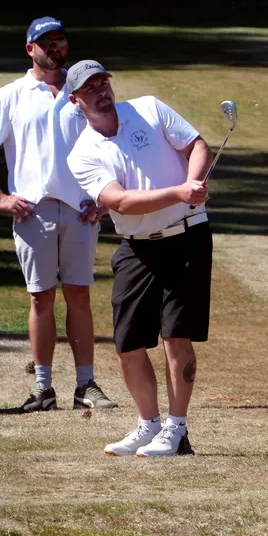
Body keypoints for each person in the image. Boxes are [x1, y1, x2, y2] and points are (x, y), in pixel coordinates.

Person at [0, 18, 118, 412]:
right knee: (40, 299)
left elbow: (112, 140)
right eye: (46, 42)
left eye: (61, 40)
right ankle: (44, 388)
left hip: (82, 211)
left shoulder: (83, 90)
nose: (55, 48)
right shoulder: (12, 95)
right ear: (30, 48)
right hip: (33, 212)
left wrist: (106, 199)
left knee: (79, 296)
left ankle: (86, 385)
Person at [65, 60, 213, 457]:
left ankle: (176, 429)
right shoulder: (82, 153)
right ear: (76, 100)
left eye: (104, 82)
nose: (102, 91)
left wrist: (194, 183)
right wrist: (181, 191)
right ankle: (148, 425)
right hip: (136, 245)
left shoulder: (148, 108)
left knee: (174, 335)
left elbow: (196, 145)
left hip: (186, 236)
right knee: (128, 341)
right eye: (91, 88)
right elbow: (121, 202)